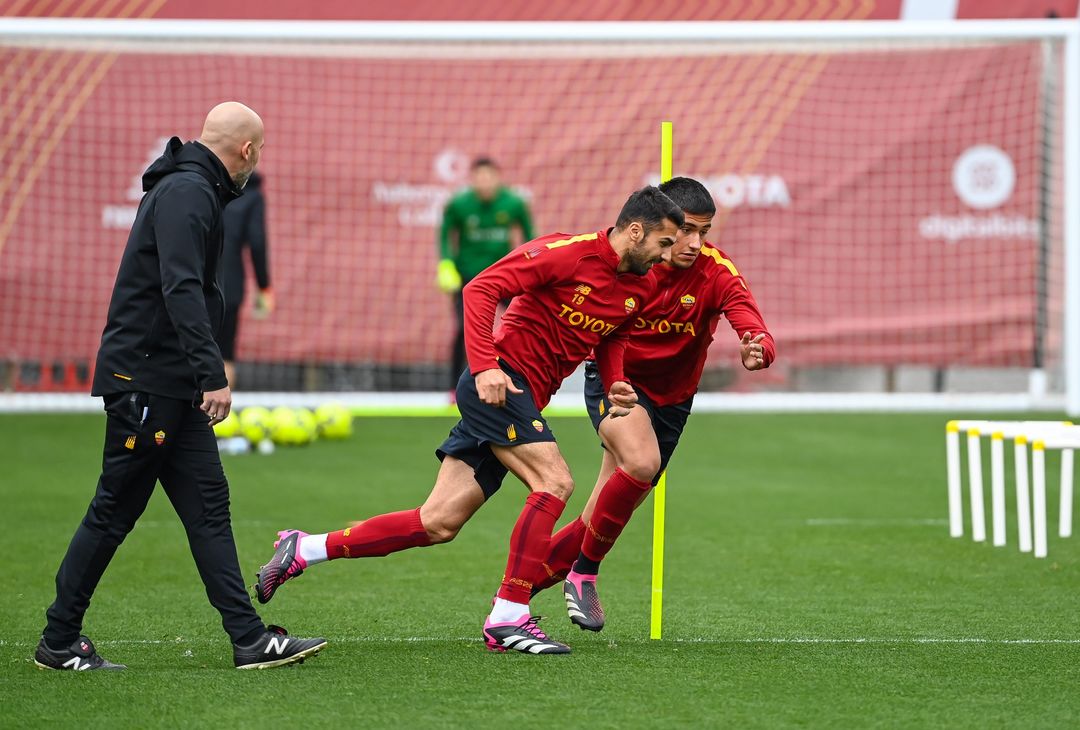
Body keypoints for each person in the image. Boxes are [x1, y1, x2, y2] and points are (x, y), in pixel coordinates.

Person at [255, 186, 684, 655]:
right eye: (664, 244)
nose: (668, 256)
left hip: (523, 399)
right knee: (555, 482)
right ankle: (509, 615)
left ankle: (304, 548)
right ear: (635, 231)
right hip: (499, 386)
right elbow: (481, 288)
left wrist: (617, 379)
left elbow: (612, 333)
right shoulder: (567, 253)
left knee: (437, 522)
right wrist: (485, 367)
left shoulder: (642, 286)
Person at [35, 102, 325, 671]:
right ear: (246, 151)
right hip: (147, 382)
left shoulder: (194, 188)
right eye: (258, 151)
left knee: (209, 509)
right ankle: (59, 640)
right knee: (113, 511)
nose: (257, 161)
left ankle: (249, 638)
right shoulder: (189, 192)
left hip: (171, 383)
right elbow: (181, 289)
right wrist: (212, 371)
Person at [533, 177, 776, 632]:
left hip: (674, 402)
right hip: (618, 384)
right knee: (642, 462)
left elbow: (751, 322)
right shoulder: (635, 264)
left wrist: (756, 345)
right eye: (686, 231)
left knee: (597, 515)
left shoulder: (717, 271)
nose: (695, 243)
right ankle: (584, 574)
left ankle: (515, 592)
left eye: (705, 232)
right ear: (667, 226)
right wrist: (613, 377)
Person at [437, 157, 535, 392]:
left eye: (489, 177)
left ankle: (529, 382)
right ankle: (454, 389)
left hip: (505, 276)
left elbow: (530, 236)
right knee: (464, 329)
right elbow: (445, 235)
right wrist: (446, 264)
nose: (484, 183)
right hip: (470, 278)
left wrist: (532, 267)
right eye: (479, 178)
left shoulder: (514, 203)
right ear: (472, 180)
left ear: (497, 178)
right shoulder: (459, 204)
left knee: (525, 325)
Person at [219, 169, 273, 389]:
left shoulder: (203, 185)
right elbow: (257, 243)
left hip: (193, 283)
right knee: (224, 354)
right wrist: (264, 287)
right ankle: (218, 421)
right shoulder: (252, 195)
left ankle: (186, 420)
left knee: (191, 352)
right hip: (229, 285)